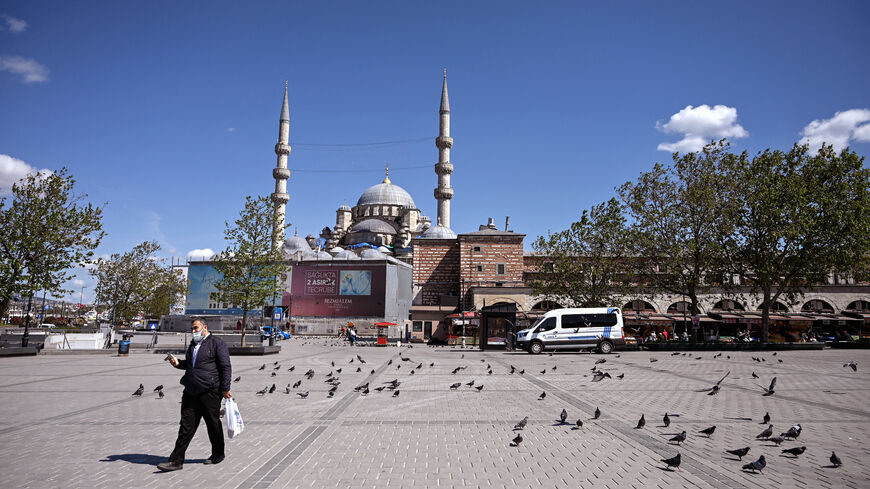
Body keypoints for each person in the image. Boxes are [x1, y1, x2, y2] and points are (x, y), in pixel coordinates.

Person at [157, 318, 232, 472]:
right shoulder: (193, 345)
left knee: (213, 423)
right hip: (191, 391)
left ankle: (218, 453)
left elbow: (225, 366)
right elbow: (192, 366)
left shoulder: (217, 343)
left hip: (210, 391)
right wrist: (179, 364)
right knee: (186, 426)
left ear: (205, 328)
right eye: (191, 329)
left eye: (195, 328)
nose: (193, 331)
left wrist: (225, 388)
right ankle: (176, 460)